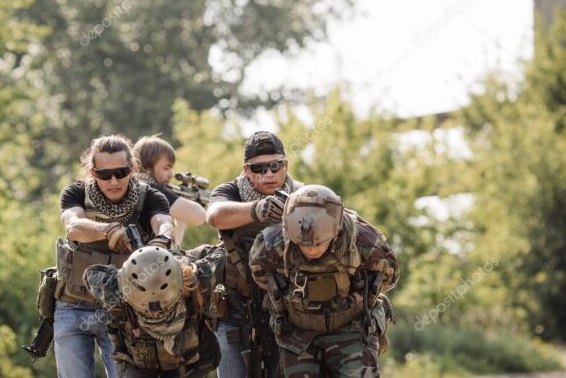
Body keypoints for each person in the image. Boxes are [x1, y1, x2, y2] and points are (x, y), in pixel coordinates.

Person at [249, 185, 399, 378]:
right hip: (297, 332)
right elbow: (261, 275)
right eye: (303, 244)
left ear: (335, 231)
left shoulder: (363, 242)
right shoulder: (272, 244)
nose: (311, 250)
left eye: (319, 243)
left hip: (351, 329)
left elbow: (389, 276)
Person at [56, 135, 174, 378]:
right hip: (74, 305)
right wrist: (108, 230)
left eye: (121, 172)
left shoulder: (149, 196)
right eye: (104, 175)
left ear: (132, 169)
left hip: (124, 312)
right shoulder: (76, 193)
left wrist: (162, 239)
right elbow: (73, 226)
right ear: (92, 172)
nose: (113, 181)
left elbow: (164, 222)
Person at [206, 131, 302, 378]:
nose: (268, 174)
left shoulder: (301, 195)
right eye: (259, 168)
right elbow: (214, 215)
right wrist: (258, 209)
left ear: (285, 166)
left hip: (285, 312)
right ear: (246, 170)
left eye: (274, 166)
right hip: (235, 310)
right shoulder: (231, 191)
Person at [83, 244, 225, 378]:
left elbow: (219, 253)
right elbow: (91, 273)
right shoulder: (116, 289)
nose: (156, 314)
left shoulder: (196, 280)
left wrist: (178, 260)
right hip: (138, 369)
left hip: (189, 368)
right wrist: (123, 277)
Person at [133, 135, 207, 247]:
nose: (171, 175)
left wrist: (181, 209)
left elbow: (175, 242)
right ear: (147, 167)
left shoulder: (135, 186)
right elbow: (200, 217)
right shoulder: (152, 189)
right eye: (166, 168)